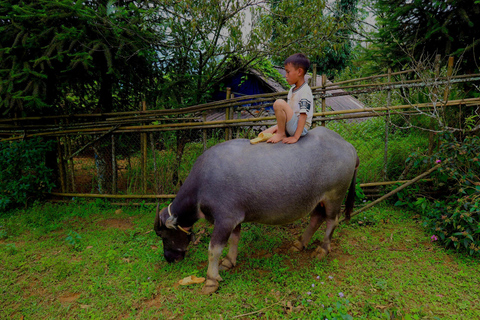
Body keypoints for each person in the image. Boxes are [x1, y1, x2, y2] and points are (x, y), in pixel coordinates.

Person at [262, 53, 314, 144]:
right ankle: (281, 131)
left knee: (279, 103)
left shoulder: (305, 91)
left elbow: (303, 115)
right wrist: (277, 127)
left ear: (299, 72)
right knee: (262, 134)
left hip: (300, 128)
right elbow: (287, 113)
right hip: (291, 125)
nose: (286, 75)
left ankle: (281, 134)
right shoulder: (292, 90)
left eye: (288, 72)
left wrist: (295, 137)